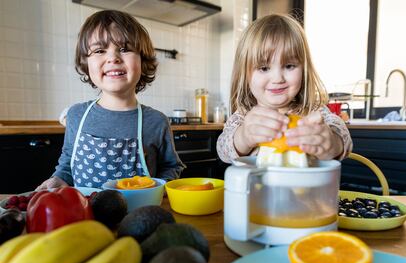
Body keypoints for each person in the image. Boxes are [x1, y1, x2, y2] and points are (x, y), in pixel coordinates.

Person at [37, 10, 184, 190]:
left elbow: (171, 167)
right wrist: (57, 180)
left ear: (142, 61)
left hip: (137, 215)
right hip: (84, 214)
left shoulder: (156, 121)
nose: (113, 58)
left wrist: (159, 188)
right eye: (99, 50)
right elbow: (68, 165)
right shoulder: (76, 116)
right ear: (86, 63)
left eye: (124, 49)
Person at [217, 14, 352, 163]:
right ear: (245, 75)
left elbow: (344, 139)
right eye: (263, 68)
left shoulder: (314, 114)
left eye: (289, 66)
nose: (277, 79)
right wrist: (243, 137)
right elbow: (223, 150)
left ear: (304, 70)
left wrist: (332, 143)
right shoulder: (243, 117)